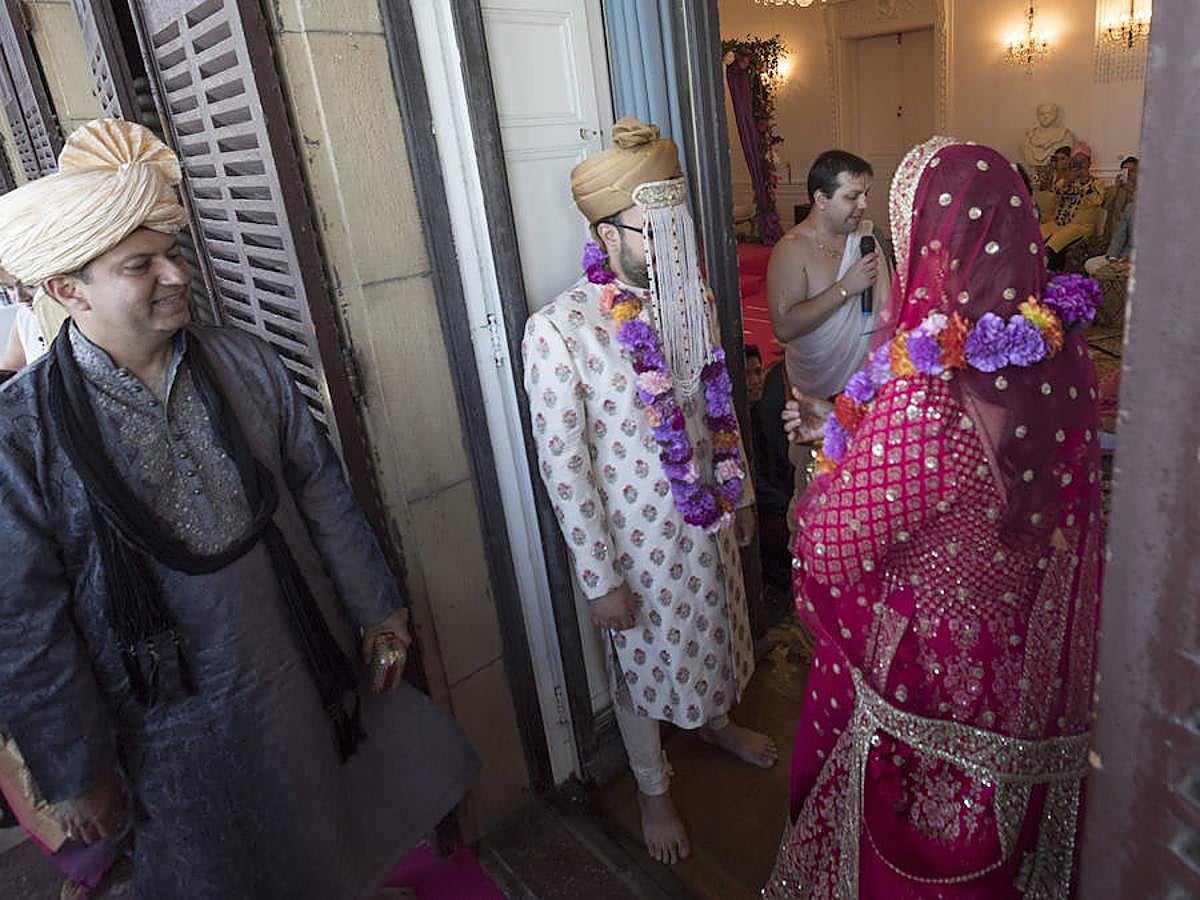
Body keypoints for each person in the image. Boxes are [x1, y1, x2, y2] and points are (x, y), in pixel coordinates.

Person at [0, 118, 478, 898]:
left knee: (330, 822)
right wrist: (77, 770)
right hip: (166, 723)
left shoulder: (244, 362)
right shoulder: (18, 437)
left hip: (296, 662)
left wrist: (376, 607)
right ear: (65, 289)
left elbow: (319, 485)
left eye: (173, 253)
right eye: (139, 264)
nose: (176, 275)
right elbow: (25, 624)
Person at [764, 136, 1104, 897]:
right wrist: (849, 429)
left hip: (938, 674)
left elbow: (832, 546)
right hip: (1027, 652)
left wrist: (835, 457)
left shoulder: (933, 394)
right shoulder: (1063, 351)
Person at [522, 116, 776, 865]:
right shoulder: (558, 330)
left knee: (723, 633)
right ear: (608, 237)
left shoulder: (688, 296)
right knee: (640, 670)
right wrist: (599, 580)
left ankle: (714, 722)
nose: (672, 241)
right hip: (639, 548)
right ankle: (651, 788)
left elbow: (717, 397)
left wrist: (746, 493)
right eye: (653, 227)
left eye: (678, 224)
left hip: (710, 516)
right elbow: (564, 470)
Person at [765, 149, 893, 531]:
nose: (863, 205)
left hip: (871, 391)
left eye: (865, 194)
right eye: (852, 196)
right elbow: (784, 327)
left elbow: (891, 311)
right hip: (818, 394)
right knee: (817, 501)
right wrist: (846, 288)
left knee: (869, 498)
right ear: (821, 199)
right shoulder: (792, 249)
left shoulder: (869, 238)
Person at [1042, 143, 1107, 269]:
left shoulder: (1097, 183)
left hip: (1080, 227)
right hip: (1057, 224)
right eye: (1076, 163)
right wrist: (1066, 181)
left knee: (1052, 247)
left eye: (1082, 162)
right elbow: (1054, 198)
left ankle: (1055, 277)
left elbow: (1097, 201)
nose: (1079, 166)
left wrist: (1084, 180)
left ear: (1089, 163)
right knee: (1036, 238)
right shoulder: (1068, 180)